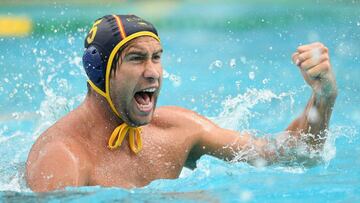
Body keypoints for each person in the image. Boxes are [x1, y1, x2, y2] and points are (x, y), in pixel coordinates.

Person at [25, 14, 337, 192]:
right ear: (99, 71)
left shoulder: (177, 131)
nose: (153, 73)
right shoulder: (63, 159)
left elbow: (298, 154)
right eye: (136, 59)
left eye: (156, 58)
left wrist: (323, 96)